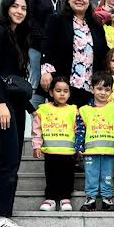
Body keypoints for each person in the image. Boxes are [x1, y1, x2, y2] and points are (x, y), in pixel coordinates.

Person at [0, 0, 31, 227]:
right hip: (0, 104)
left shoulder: (18, 36)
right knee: (8, 159)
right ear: (6, 7)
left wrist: (33, 110)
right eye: (15, 6)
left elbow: (16, 83)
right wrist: (1, 103)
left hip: (14, 106)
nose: (19, 11)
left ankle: (4, 214)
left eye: (23, 7)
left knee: (14, 159)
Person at [40, 0, 109, 108]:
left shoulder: (97, 25)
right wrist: (46, 72)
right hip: (65, 87)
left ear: (89, 0)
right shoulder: (57, 20)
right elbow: (47, 46)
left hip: (89, 88)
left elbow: (104, 52)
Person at [76, 72, 114, 212]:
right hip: (90, 152)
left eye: (107, 89)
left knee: (107, 175)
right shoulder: (84, 110)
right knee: (91, 175)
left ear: (111, 91)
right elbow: (80, 129)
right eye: (99, 89)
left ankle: (107, 199)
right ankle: (90, 199)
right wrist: (79, 146)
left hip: (109, 153)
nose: (103, 92)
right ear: (92, 89)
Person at [31, 77, 78, 212]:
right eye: (58, 91)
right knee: (51, 175)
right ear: (51, 92)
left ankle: (65, 198)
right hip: (50, 151)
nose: (62, 94)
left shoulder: (74, 110)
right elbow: (37, 130)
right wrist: (36, 146)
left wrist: (79, 147)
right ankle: (50, 199)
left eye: (65, 91)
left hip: (68, 152)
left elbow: (78, 129)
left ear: (69, 93)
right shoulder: (43, 109)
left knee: (67, 175)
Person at [26, 0, 67, 106]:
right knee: (38, 84)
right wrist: (44, 37)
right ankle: (36, 122)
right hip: (37, 46)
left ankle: (54, 123)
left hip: (59, 50)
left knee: (57, 84)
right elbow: (28, 18)